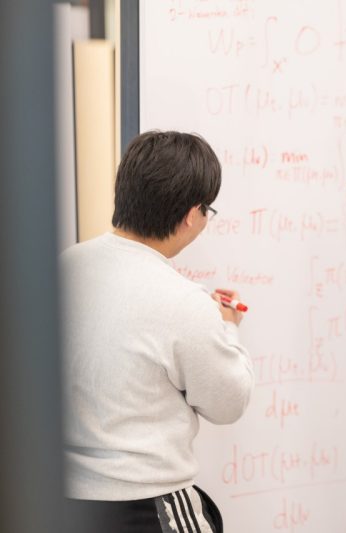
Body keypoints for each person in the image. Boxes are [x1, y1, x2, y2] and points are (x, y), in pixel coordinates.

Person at [61, 131, 254, 532]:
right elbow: (228, 403)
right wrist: (227, 329)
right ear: (191, 214)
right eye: (208, 211)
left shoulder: (64, 266)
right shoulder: (184, 302)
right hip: (147, 505)